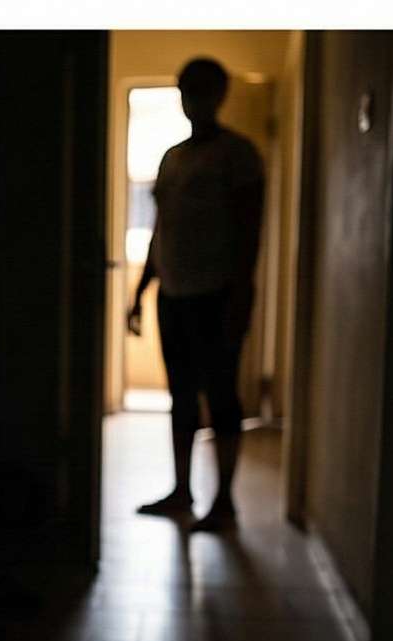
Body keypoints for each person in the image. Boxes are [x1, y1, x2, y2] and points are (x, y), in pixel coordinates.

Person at [125, 56, 266, 533]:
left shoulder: (238, 155)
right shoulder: (172, 157)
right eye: (188, 89)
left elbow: (250, 231)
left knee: (221, 396)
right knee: (181, 395)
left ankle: (224, 501)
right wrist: (142, 289)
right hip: (174, 294)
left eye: (203, 90)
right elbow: (161, 229)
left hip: (217, 295)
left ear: (220, 94)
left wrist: (241, 293)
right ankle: (182, 489)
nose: (194, 99)